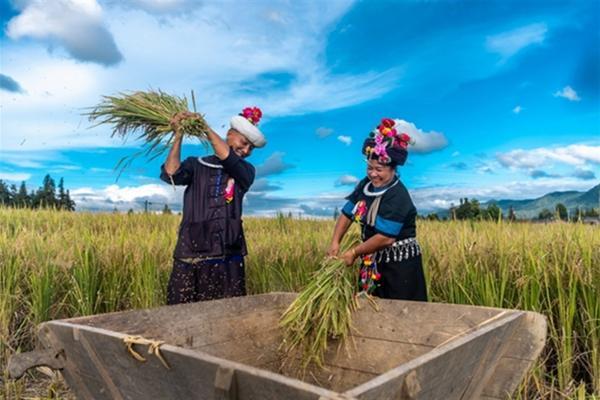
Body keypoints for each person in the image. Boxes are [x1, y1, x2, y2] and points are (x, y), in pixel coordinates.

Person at [160, 106, 266, 304]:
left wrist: (203, 127)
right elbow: (171, 173)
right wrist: (179, 135)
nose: (246, 151)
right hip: (191, 253)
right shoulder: (196, 164)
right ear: (229, 134)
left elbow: (227, 156)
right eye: (244, 143)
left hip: (228, 257)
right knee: (181, 312)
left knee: (228, 313)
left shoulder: (245, 171)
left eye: (251, 148)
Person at [327, 118, 427, 301]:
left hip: (399, 266)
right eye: (369, 168)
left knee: (400, 309)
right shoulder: (366, 185)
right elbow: (347, 213)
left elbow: (386, 237)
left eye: (379, 169)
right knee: (369, 304)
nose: (373, 173)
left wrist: (354, 253)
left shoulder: (397, 195)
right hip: (371, 261)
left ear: (393, 169)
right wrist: (335, 242)